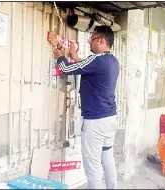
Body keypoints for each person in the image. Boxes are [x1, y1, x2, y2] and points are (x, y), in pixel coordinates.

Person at [47, 25, 120, 189]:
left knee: (92, 169)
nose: (89, 43)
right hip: (110, 119)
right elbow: (88, 66)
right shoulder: (112, 61)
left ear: (101, 40)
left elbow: (65, 68)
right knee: (107, 159)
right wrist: (74, 56)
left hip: (96, 123)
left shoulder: (97, 60)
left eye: (92, 39)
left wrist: (57, 48)